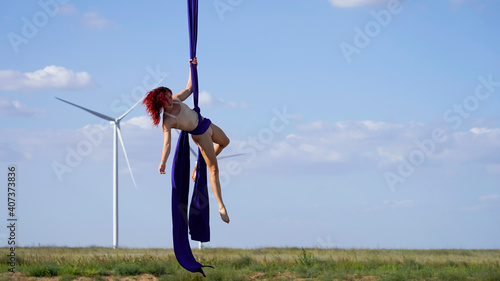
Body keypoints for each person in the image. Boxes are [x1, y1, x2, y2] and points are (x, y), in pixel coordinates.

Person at [142, 58, 230, 224]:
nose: (170, 100)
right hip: (200, 134)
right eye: (166, 100)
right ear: (160, 104)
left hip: (206, 123)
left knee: (225, 142)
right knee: (214, 170)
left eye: (169, 96)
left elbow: (189, 89)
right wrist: (163, 162)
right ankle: (221, 206)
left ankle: (198, 164)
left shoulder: (176, 99)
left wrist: (192, 66)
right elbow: (166, 143)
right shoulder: (168, 120)